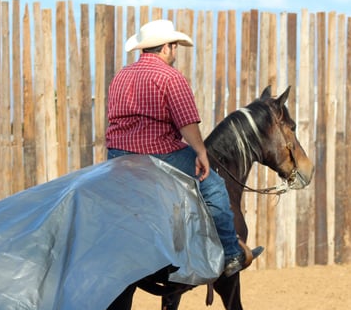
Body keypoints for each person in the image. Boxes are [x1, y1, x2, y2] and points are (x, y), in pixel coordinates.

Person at [105, 19, 253, 278]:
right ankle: (230, 253)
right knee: (215, 187)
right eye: (175, 47)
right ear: (165, 48)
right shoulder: (170, 77)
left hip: (117, 155)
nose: (175, 53)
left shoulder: (121, 75)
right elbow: (187, 123)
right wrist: (201, 153)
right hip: (158, 153)